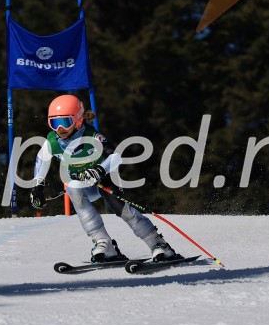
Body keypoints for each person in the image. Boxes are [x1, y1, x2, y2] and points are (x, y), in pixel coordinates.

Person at [29, 94, 181, 263]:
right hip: (83, 184)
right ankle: (104, 244)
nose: (59, 129)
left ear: (78, 120)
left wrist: (99, 170)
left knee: (120, 208)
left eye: (65, 123)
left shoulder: (91, 135)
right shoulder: (52, 142)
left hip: (106, 179)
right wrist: (38, 187)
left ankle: (159, 245)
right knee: (72, 189)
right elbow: (41, 161)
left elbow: (115, 157)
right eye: (54, 123)